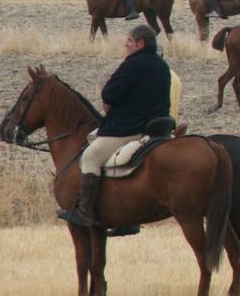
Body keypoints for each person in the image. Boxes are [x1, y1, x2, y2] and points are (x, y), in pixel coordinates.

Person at [59, 24, 172, 228]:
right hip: (157, 128)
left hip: (130, 129)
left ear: (140, 44)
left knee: (90, 157)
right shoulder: (162, 65)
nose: (125, 44)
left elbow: (108, 95)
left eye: (129, 41)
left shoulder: (132, 64)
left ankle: (84, 212)